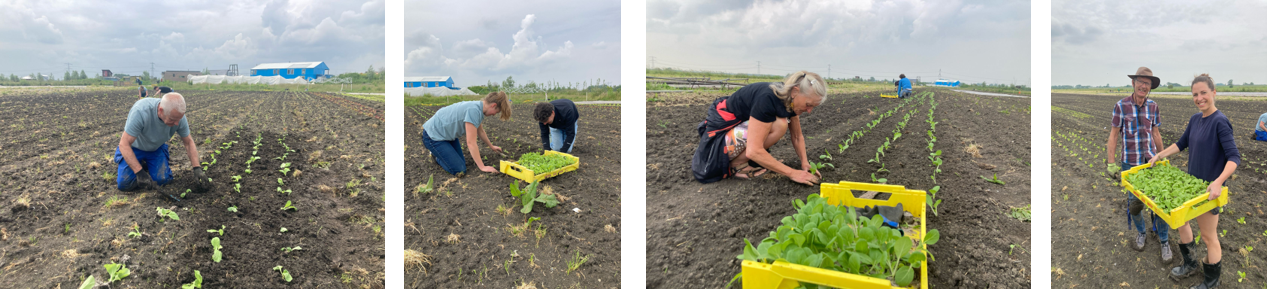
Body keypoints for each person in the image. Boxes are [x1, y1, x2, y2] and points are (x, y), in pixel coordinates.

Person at [1148, 73, 1239, 288]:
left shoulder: (1220, 121)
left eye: (1203, 93)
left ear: (1214, 93)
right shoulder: (1195, 119)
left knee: (1209, 238)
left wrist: (1217, 182)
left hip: (1208, 191)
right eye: (1195, 94)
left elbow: (1234, 157)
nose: (1199, 98)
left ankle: (1211, 282)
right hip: (1191, 188)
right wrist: (1159, 155)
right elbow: (1181, 143)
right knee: (1183, 223)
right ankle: (1190, 264)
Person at [691, 70, 826, 185]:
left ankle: (741, 161)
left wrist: (805, 163)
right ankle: (736, 165)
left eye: (813, 106)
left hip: (737, 130)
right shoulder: (767, 98)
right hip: (721, 139)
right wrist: (791, 173)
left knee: (780, 123)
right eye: (808, 105)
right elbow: (753, 151)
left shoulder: (790, 100)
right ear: (795, 91)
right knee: (780, 125)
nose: (809, 111)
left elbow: (797, 136)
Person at [1107, 67, 1171, 264]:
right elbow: (1114, 134)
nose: (1144, 86)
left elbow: (1156, 133)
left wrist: (1162, 156)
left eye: (1148, 83)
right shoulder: (1121, 106)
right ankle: (1141, 233)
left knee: (1160, 202)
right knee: (1134, 204)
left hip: (1151, 162)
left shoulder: (1153, 106)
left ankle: (1164, 240)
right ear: (1133, 83)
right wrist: (1111, 163)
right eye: (1141, 82)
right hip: (1131, 162)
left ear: (1150, 87)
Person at [116, 93, 205, 191]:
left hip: (156, 148)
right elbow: (124, 144)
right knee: (124, 184)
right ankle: (140, 164)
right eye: (172, 119)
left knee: (162, 180)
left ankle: (146, 165)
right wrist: (139, 172)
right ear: (161, 110)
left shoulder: (178, 117)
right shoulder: (140, 111)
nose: (177, 123)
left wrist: (197, 168)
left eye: (179, 119)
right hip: (134, 148)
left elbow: (188, 142)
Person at [422, 91, 511, 175]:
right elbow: (471, 143)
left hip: (447, 136)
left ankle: (441, 153)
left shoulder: (479, 108)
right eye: (497, 111)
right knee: (459, 170)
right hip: (433, 136)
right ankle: (436, 156)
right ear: (493, 105)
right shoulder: (474, 111)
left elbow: (481, 132)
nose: (495, 114)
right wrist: (482, 167)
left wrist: (491, 146)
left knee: (461, 162)